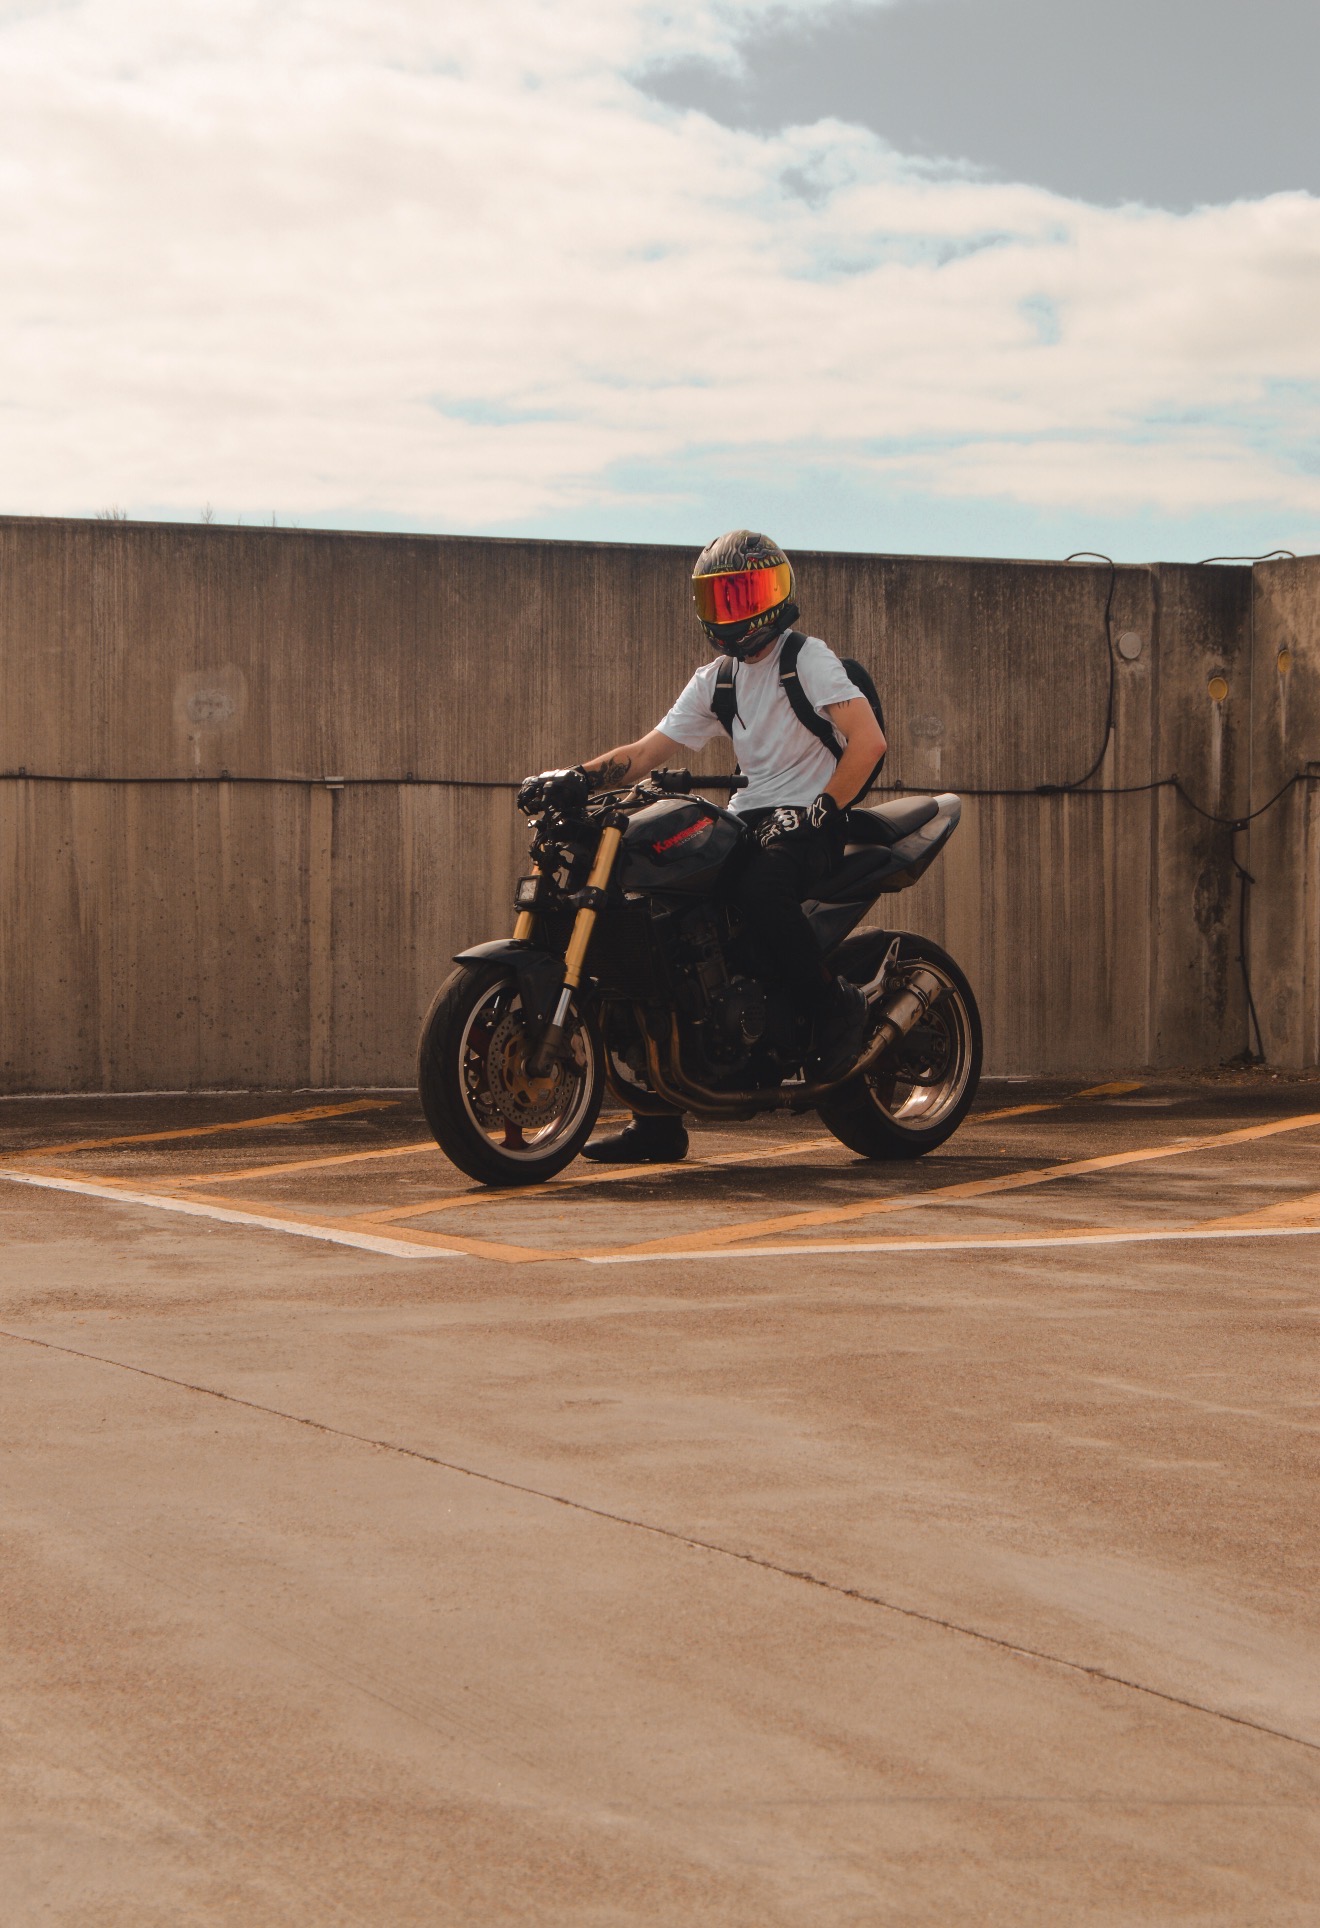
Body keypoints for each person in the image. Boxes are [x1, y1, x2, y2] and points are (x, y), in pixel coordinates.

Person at [547, 528, 886, 1165]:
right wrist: (575, 777)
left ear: (777, 591)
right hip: (751, 820)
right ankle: (657, 1120)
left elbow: (867, 744)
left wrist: (820, 810)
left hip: (813, 821)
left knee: (760, 888)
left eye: (744, 594)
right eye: (721, 598)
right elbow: (647, 753)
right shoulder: (717, 680)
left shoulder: (806, 660)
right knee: (656, 919)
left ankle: (832, 1004)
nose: (733, 611)